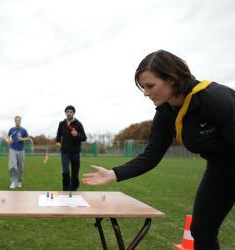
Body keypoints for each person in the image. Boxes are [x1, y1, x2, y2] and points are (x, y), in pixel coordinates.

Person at [82, 50, 235, 250]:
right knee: (201, 231)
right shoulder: (165, 114)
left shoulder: (215, 98)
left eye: (150, 86)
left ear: (171, 79)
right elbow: (150, 157)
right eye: (143, 87)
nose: (146, 93)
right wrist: (113, 174)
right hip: (219, 170)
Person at [56, 105, 87, 191]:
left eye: (71, 112)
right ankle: (66, 189)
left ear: (73, 113)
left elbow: (84, 138)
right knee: (65, 171)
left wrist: (77, 135)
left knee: (75, 173)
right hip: (64, 152)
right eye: (67, 112)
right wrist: (58, 142)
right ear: (65, 113)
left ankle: (74, 188)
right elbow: (59, 134)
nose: (69, 113)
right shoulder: (62, 124)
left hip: (75, 152)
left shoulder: (78, 124)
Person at [6, 116, 29, 189]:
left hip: (21, 150)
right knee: (12, 166)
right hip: (12, 149)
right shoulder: (11, 129)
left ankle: (19, 182)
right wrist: (8, 140)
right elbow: (7, 137)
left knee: (20, 167)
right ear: (14, 121)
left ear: (20, 121)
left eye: (19, 120)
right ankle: (13, 182)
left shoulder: (23, 130)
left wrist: (22, 139)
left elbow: (28, 138)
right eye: (16, 120)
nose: (17, 121)